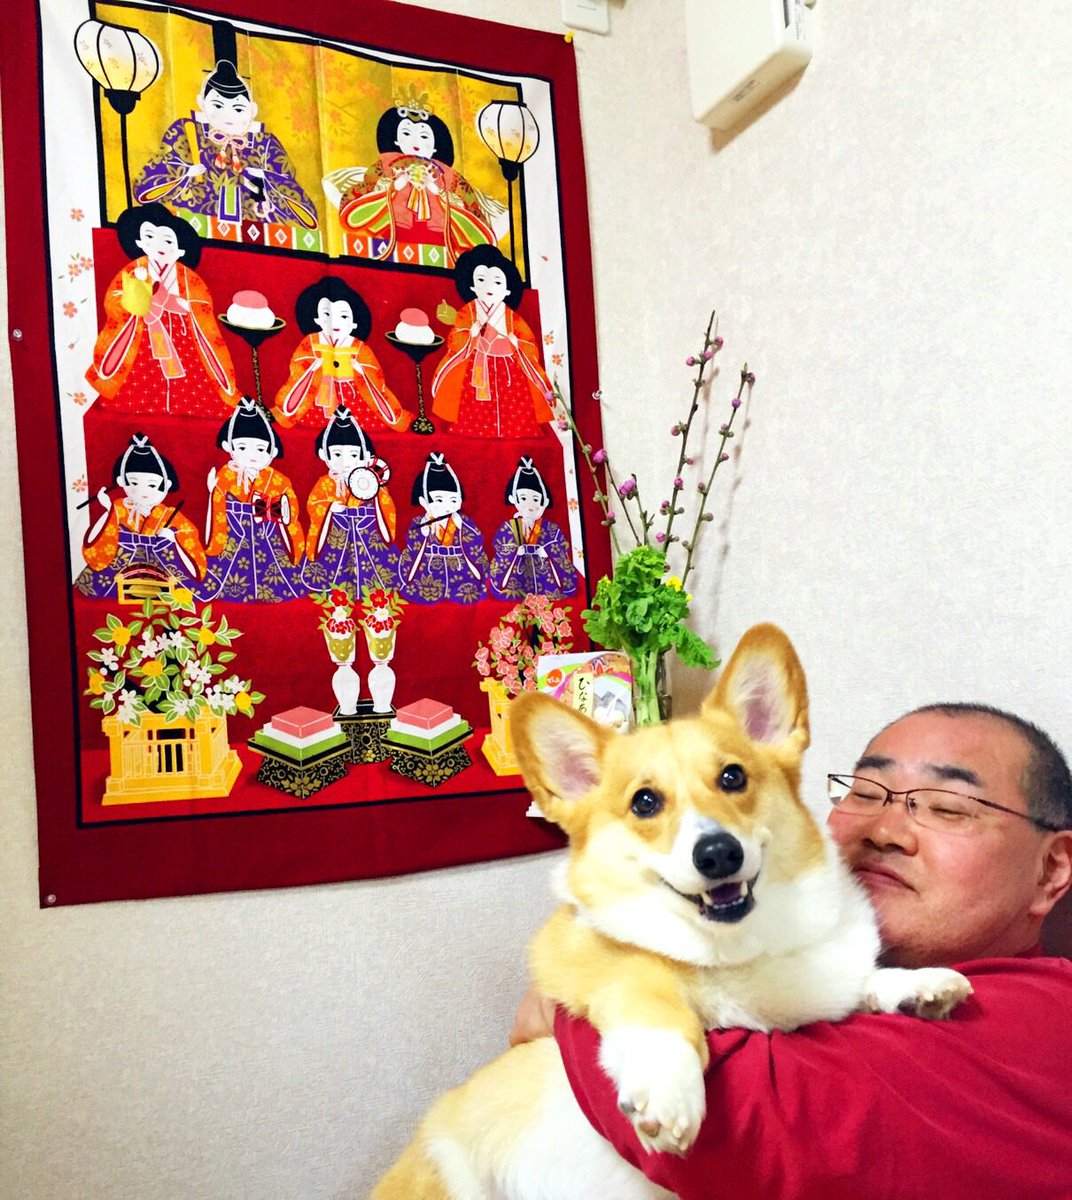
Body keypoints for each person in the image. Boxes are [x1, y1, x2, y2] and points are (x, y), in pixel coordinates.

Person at [511, 703, 1072, 1199]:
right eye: (865, 791)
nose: (883, 830)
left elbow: (740, 1128)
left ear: (1051, 869)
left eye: (947, 806)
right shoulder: (833, 965)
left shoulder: (1045, 1021)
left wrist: (579, 996)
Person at [85, 203, 236, 416]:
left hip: (182, 334)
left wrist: (185, 306)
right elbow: (115, 299)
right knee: (142, 377)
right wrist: (139, 295)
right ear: (139, 242)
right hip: (143, 334)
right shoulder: (134, 270)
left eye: (168, 240)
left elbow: (202, 305)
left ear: (180, 250)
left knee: (192, 380)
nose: (159, 245)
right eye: (150, 237)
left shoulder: (189, 277)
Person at [133, 59, 318, 229]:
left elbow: (289, 185)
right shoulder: (187, 131)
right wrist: (186, 172)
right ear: (201, 103)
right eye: (218, 106)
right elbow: (152, 179)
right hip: (194, 222)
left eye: (238, 108)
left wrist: (265, 180)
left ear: (252, 110)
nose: (228, 115)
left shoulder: (265, 143)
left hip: (253, 227)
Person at [337, 94, 496, 266]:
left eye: (424, 136)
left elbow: (470, 208)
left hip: (438, 236)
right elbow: (364, 191)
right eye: (406, 133)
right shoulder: (386, 166)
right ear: (396, 140)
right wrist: (396, 187)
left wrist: (438, 192)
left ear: (435, 146)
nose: (415, 141)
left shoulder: (449, 176)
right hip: (395, 231)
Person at [429, 246, 556, 438]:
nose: (488, 287)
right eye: (481, 280)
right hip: (477, 364)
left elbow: (529, 344)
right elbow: (456, 338)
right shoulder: (468, 311)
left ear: (507, 290)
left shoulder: (512, 317)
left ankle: (516, 429)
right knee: (473, 402)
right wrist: (471, 335)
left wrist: (516, 343)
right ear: (471, 285)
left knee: (512, 400)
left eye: (497, 282)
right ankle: (472, 428)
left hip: (508, 366)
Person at [199, 397, 305, 602]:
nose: (252, 455)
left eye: (260, 449)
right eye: (242, 448)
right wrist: (214, 493)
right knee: (230, 572)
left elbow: (290, 508)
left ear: (272, 451)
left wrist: (277, 510)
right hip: (234, 532)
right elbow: (219, 508)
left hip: (268, 533)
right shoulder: (225, 474)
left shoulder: (278, 479)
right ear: (228, 446)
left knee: (275, 571)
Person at [272, 277, 411, 431]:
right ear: (316, 319)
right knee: (309, 419)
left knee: (365, 422)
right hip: (318, 395)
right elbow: (298, 368)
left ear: (354, 323)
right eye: (326, 314)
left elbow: (375, 374)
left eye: (343, 316)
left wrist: (361, 371)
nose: (335, 322)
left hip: (353, 397)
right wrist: (313, 368)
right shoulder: (311, 342)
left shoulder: (359, 346)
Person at [75, 433, 206, 597]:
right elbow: (96, 555)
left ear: (166, 485)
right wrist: (109, 511)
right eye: (134, 483)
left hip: (162, 576)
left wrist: (174, 540)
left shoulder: (171, 515)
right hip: (118, 577)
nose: (143, 491)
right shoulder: (119, 508)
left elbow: (195, 559)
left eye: (152, 485)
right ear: (122, 482)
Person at [301, 406, 399, 596]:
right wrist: (330, 508)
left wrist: (372, 500)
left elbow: (386, 506)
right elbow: (314, 504)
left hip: (366, 530)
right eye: (337, 454)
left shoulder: (370, 479)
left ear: (365, 456)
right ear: (324, 454)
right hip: (336, 533)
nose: (345, 461)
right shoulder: (326, 483)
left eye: (353, 454)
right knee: (334, 567)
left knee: (374, 565)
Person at [397, 452, 488, 604]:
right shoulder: (420, 522)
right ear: (424, 502)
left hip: (459, 569)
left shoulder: (462, 521)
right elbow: (412, 545)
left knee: (468, 594)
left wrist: (461, 527)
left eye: (453, 500)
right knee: (423, 592)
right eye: (439, 500)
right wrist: (423, 532)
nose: (447, 506)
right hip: (429, 570)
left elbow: (476, 540)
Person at [489, 457, 577, 599]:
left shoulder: (551, 528)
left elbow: (561, 549)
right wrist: (515, 551)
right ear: (513, 499)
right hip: (518, 575)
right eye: (523, 498)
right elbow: (500, 549)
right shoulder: (509, 527)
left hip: (545, 576)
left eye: (535, 499)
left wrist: (547, 552)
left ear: (544, 501)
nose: (530, 504)